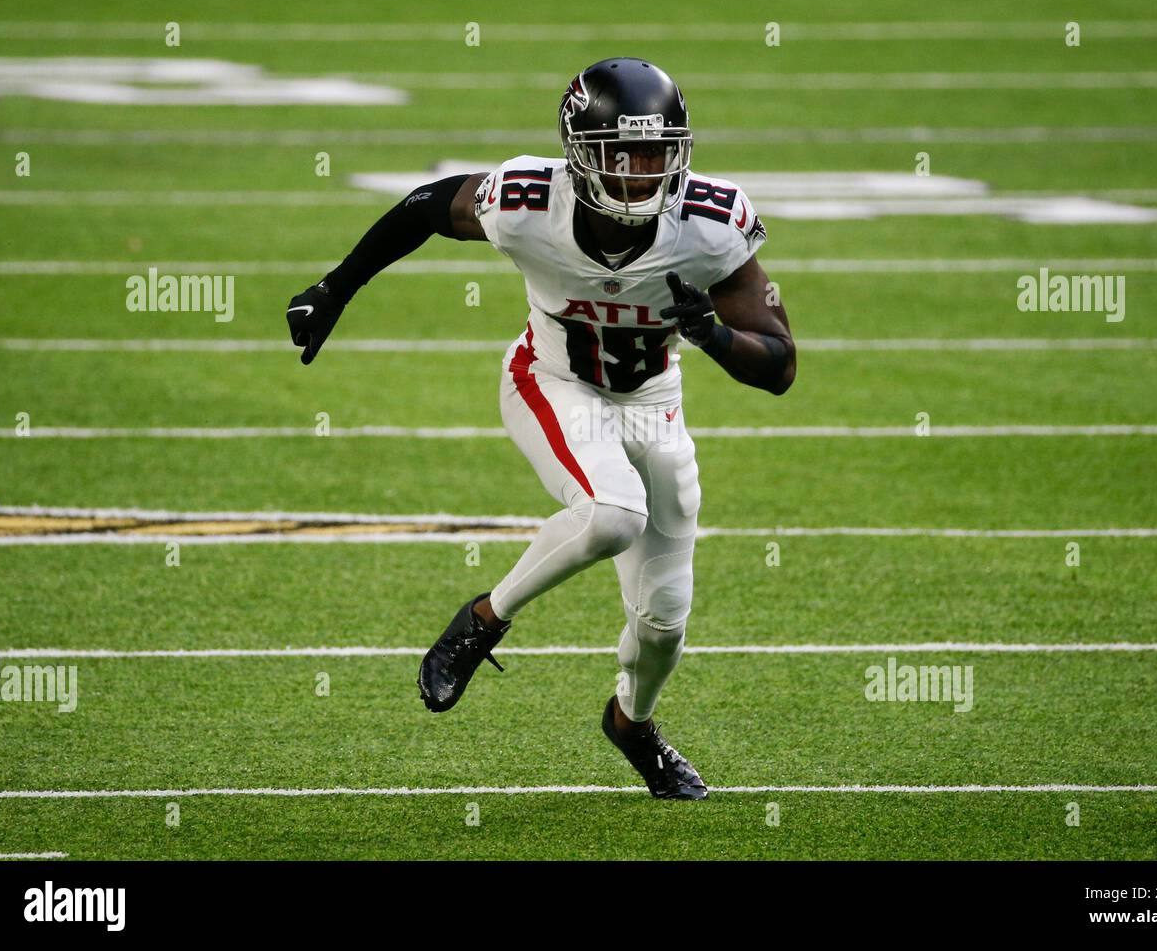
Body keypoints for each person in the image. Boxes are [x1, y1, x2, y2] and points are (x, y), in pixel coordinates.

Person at [286, 57, 795, 800]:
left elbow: (780, 366)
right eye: (621, 156)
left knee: (663, 627)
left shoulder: (709, 225)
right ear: (580, 153)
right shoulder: (528, 201)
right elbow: (426, 207)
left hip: (655, 401)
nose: (640, 176)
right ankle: (482, 620)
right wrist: (335, 288)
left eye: (656, 155)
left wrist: (715, 337)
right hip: (551, 380)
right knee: (613, 513)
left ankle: (631, 725)